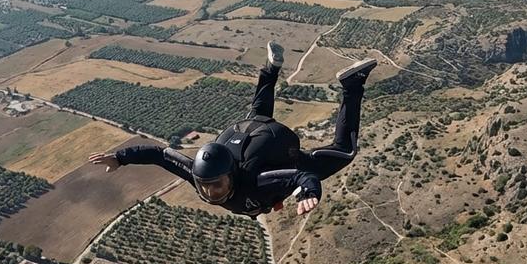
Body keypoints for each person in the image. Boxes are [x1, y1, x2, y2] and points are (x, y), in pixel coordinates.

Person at [88, 41, 376, 218]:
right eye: (207, 186)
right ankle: (270, 69)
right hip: (248, 132)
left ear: (232, 176)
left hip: (274, 146)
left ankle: (353, 86)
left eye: (217, 185)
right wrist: (121, 158)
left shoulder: (257, 179)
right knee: (258, 116)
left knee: (345, 151)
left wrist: (307, 192)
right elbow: (161, 155)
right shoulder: (198, 173)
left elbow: (303, 174)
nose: (212, 192)